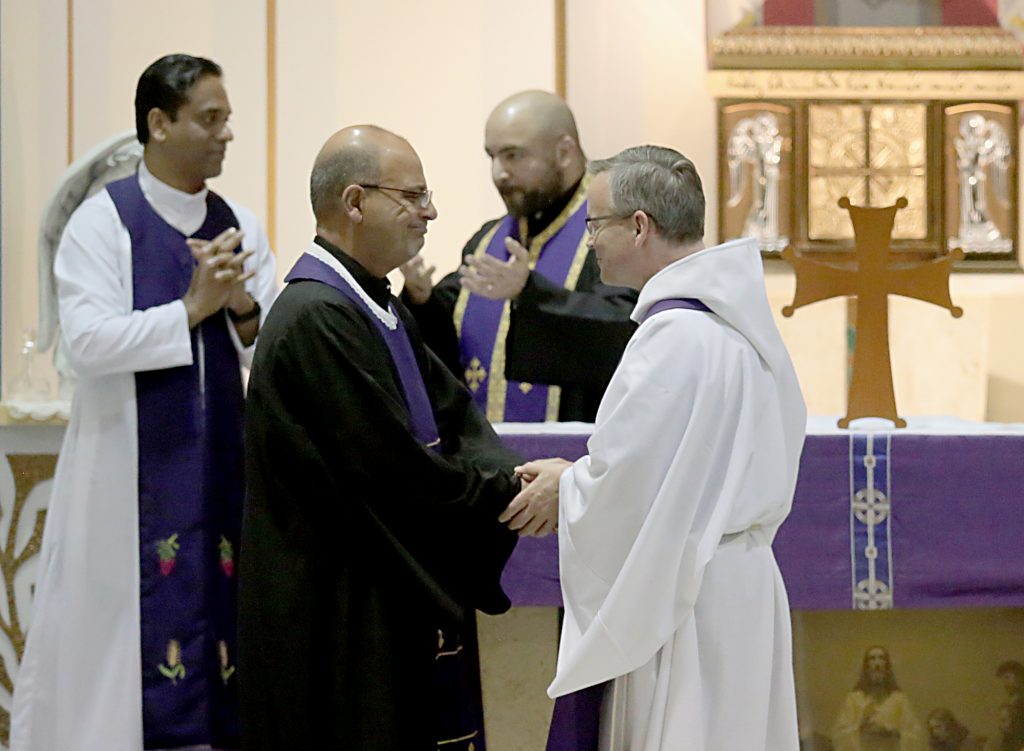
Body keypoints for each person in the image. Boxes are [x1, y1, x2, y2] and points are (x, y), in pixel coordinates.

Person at [500, 145, 808, 749]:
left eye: (595, 225)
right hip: (739, 586)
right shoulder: (740, 326)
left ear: (638, 225)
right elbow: (671, 469)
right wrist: (581, 475)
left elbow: (632, 490)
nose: (590, 243)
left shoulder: (670, 338)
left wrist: (569, 486)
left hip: (682, 597)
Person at [11, 54, 277, 751]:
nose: (225, 135)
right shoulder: (104, 224)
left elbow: (269, 348)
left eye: (228, 120)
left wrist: (243, 305)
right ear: (159, 124)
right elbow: (87, 344)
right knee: (119, 649)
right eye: (209, 119)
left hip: (223, 470)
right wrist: (192, 308)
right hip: (124, 478)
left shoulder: (238, 223)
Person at [238, 125, 523, 751]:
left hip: (378, 598)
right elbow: (395, 471)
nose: (431, 211)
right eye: (413, 195)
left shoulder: (374, 305)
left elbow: (455, 414)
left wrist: (507, 474)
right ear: (354, 201)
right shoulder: (316, 317)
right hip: (337, 612)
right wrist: (505, 491)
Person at [401, 90, 636, 423]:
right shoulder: (486, 241)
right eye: (492, 157)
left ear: (564, 152)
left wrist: (532, 294)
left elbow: (625, 331)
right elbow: (453, 351)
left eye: (513, 156)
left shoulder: (612, 231)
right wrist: (422, 302)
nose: (499, 173)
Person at [832, 646, 926, 751]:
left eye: (881, 658)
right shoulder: (854, 699)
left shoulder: (900, 699)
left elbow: (916, 736)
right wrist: (860, 728)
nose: (877, 663)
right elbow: (838, 736)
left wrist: (895, 733)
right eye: (872, 658)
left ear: (887, 666)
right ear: (866, 666)